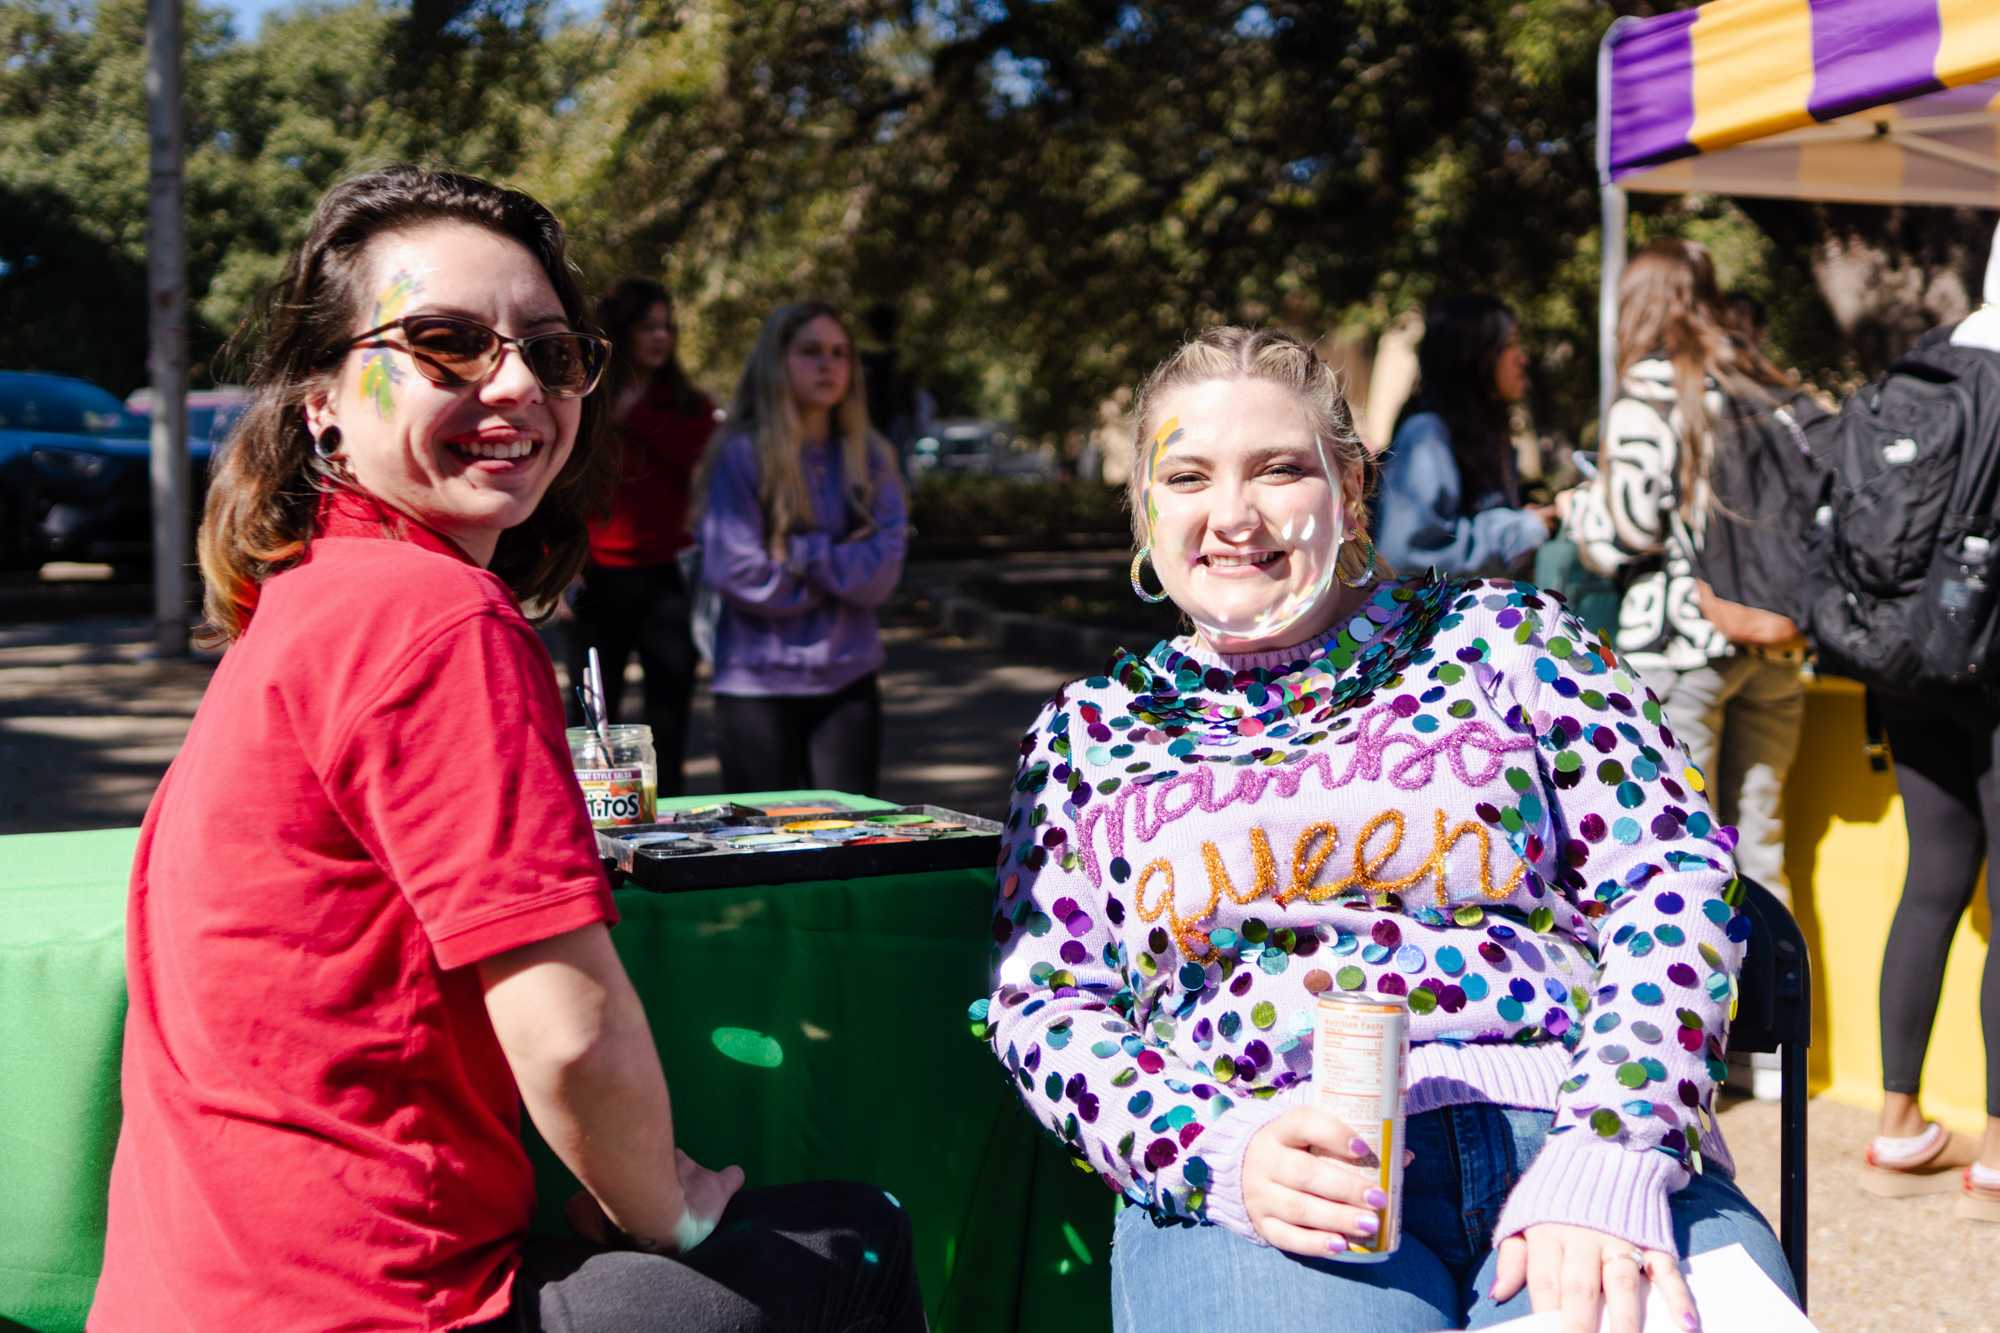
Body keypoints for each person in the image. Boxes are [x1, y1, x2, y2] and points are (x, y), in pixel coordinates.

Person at [89, 167, 922, 1332]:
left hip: (202, 1292)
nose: (518, 382)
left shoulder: (317, 594)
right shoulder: (433, 618)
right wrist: (668, 1212)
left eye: (551, 348)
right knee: (858, 1232)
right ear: (323, 396)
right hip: (369, 1303)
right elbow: (568, 1033)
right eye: (447, 342)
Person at [977, 325, 1793, 1332]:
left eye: (1278, 469)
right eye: (1186, 475)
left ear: (1350, 489)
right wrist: (1210, 1148)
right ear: (1143, 508)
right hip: (1265, 1167)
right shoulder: (1084, 733)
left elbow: (1670, 874)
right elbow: (1045, 1003)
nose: (1232, 514)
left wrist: (1613, 1147)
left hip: (1571, 1123)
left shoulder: (1509, 638)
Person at [1567, 240, 1805, 907]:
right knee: (1762, 853)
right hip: (1773, 640)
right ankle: (1783, 1009)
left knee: (1690, 855)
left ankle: (1709, 1015)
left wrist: (1581, 506)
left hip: (1680, 647)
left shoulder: (1648, 394)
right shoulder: (1763, 384)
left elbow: (1625, 534)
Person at [692, 301, 906, 796]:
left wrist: (800, 555)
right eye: (811, 351)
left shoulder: (871, 456)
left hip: (848, 683)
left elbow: (881, 574)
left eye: (839, 353)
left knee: (854, 846)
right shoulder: (740, 455)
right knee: (764, 856)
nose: (828, 365)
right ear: (777, 361)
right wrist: (839, 564)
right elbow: (740, 573)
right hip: (755, 687)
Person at [564, 277, 714, 797]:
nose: (661, 336)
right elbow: (561, 485)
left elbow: (694, 455)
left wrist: (638, 414)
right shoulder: (583, 400)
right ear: (622, 331)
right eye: (648, 326)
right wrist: (555, 572)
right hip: (596, 579)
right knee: (591, 714)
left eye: (668, 326)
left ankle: (664, 815)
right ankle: (585, 815)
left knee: (668, 713)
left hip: (663, 578)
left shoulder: (686, 405)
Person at [1373, 296, 1561, 576]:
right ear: (1473, 356)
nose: (1522, 358)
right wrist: (1521, 528)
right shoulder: (1427, 433)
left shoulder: (1483, 433)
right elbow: (1408, 550)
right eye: (1509, 345)